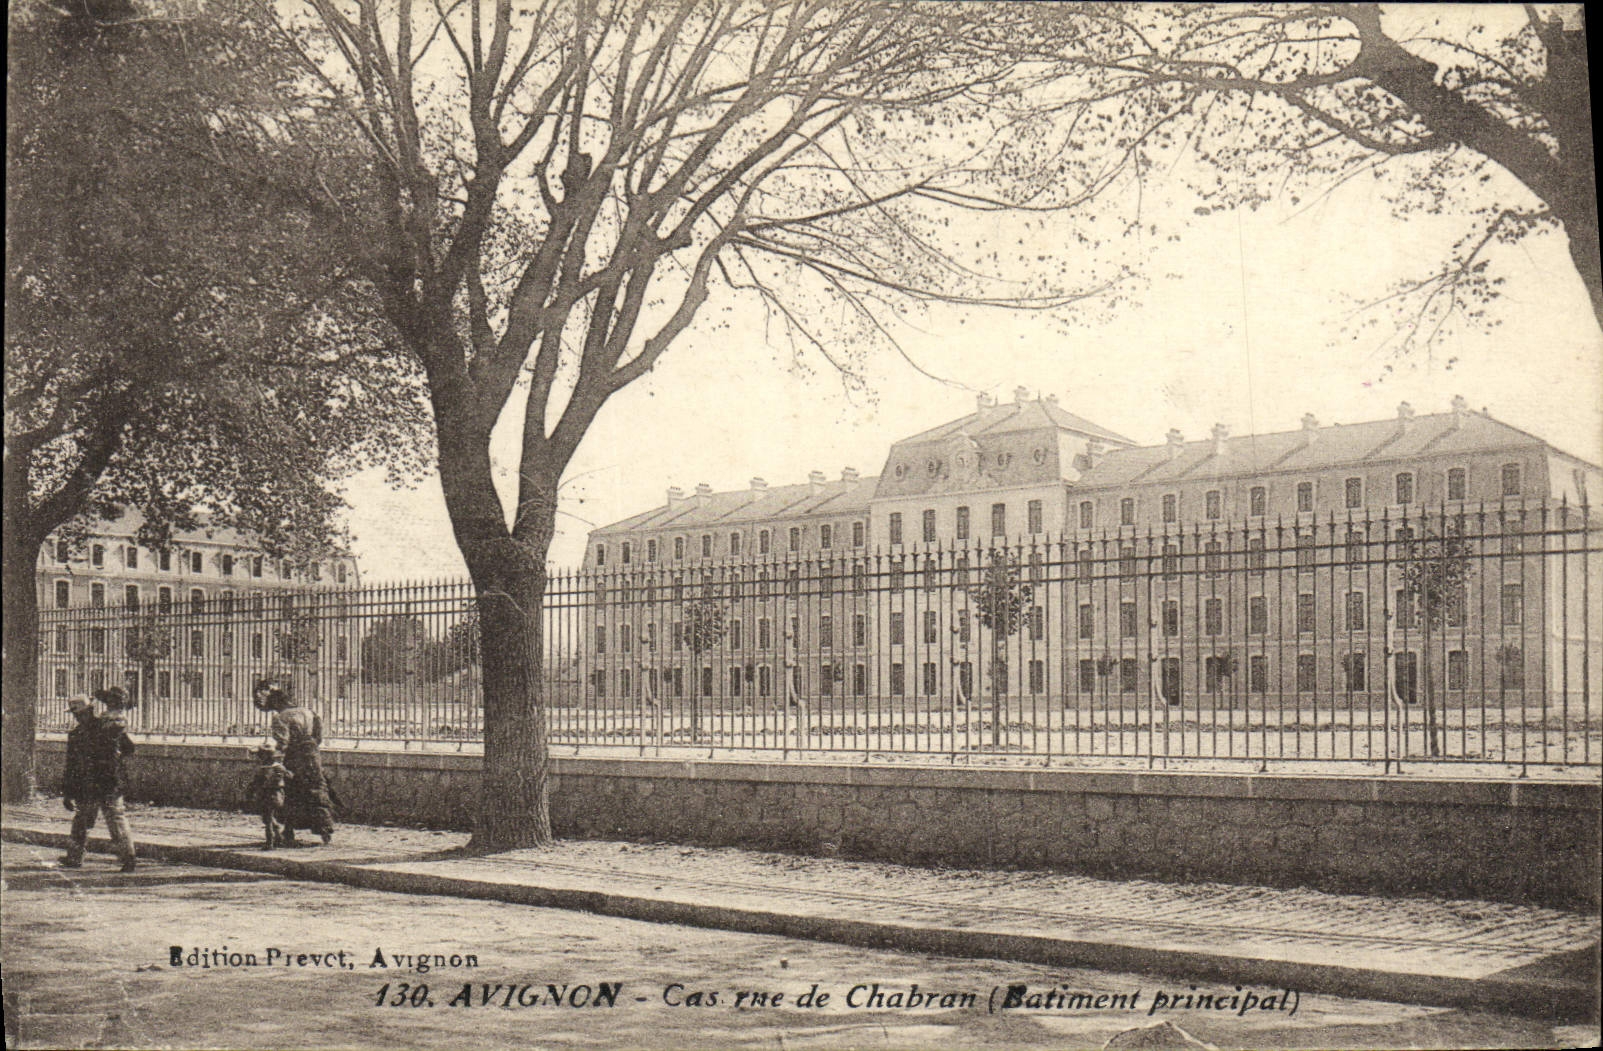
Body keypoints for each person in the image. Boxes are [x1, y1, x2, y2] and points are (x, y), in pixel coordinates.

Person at [63, 686, 138, 872]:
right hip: (102, 783)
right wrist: (68, 793)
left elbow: (128, 748)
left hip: (98, 784)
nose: (78, 717)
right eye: (77, 714)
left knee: (106, 819)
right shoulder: (102, 728)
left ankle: (127, 857)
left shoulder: (101, 728)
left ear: (89, 711)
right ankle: (126, 857)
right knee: (96, 820)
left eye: (80, 713)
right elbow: (71, 766)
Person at [253, 680, 334, 845]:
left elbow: (283, 743)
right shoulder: (308, 712)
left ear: (276, 703)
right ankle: (325, 827)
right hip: (312, 754)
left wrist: (276, 759)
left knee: (292, 792)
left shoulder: (280, 717)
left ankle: (289, 830)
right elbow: (318, 735)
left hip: (294, 756)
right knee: (317, 786)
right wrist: (310, 747)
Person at [244, 741, 294, 850]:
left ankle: (270, 842)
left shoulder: (263, 769)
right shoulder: (278, 767)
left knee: (268, 819)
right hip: (276, 794)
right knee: (268, 817)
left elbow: (255, 783)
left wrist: (251, 792)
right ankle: (278, 836)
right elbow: (289, 776)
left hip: (268, 795)